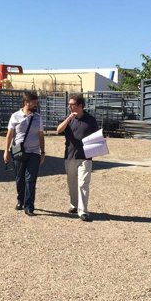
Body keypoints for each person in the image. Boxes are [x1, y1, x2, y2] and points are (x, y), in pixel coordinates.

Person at [56, 93, 99, 221]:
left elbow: (97, 137)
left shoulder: (91, 120)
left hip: (85, 157)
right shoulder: (68, 119)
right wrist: (68, 119)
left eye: (72, 104)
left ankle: (83, 211)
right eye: (69, 104)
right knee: (72, 183)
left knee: (83, 184)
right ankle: (74, 205)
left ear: (80, 106)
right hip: (70, 156)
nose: (69, 106)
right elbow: (58, 130)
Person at [3, 91, 45, 216]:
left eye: (36, 103)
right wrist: (6, 151)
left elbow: (41, 136)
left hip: (34, 152)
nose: (36, 105)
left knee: (31, 179)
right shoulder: (15, 116)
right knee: (19, 178)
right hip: (18, 151)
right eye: (34, 103)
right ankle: (20, 199)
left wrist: (43, 152)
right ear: (26, 103)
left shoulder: (38, 118)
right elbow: (9, 135)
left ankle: (29, 206)